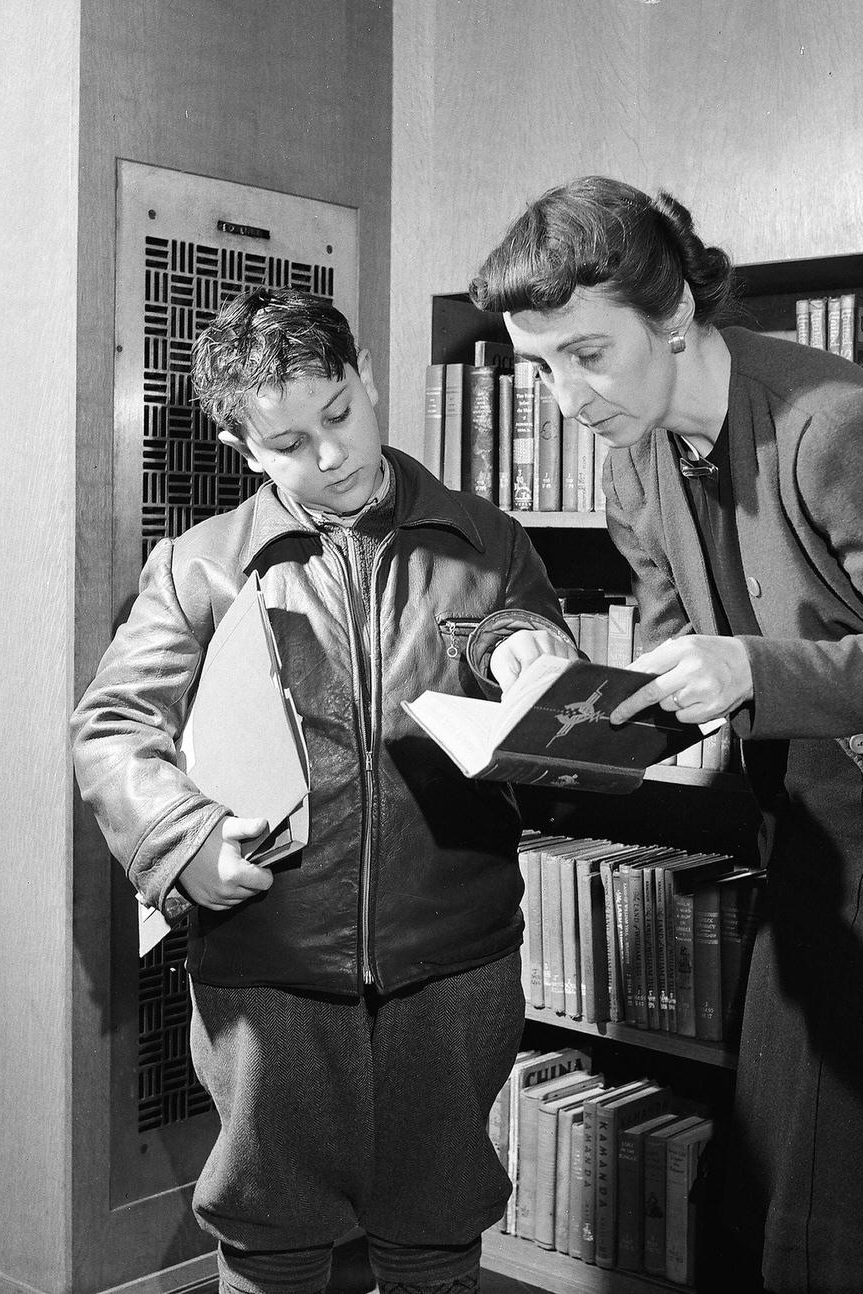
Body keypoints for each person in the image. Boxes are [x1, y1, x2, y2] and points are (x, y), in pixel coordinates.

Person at [469, 176, 863, 1294]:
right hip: (811, 822)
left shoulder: (840, 424)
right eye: (537, 365)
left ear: (678, 318)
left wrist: (747, 668)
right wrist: (561, 704)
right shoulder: (636, 463)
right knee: (786, 1159)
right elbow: (664, 668)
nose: (562, 394)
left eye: (587, 355)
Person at [71, 287, 577, 1294]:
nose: (332, 455)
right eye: (290, 442)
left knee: (437, 1233)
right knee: (270, 1236)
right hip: (267, 965)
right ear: (242, 447)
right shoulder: (198, 567)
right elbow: (114, 728)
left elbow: (538, 682)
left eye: (341, 414)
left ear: (367, 378)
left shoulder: (488, 541)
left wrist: (536, 654)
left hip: (454, 959)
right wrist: (185, 846)